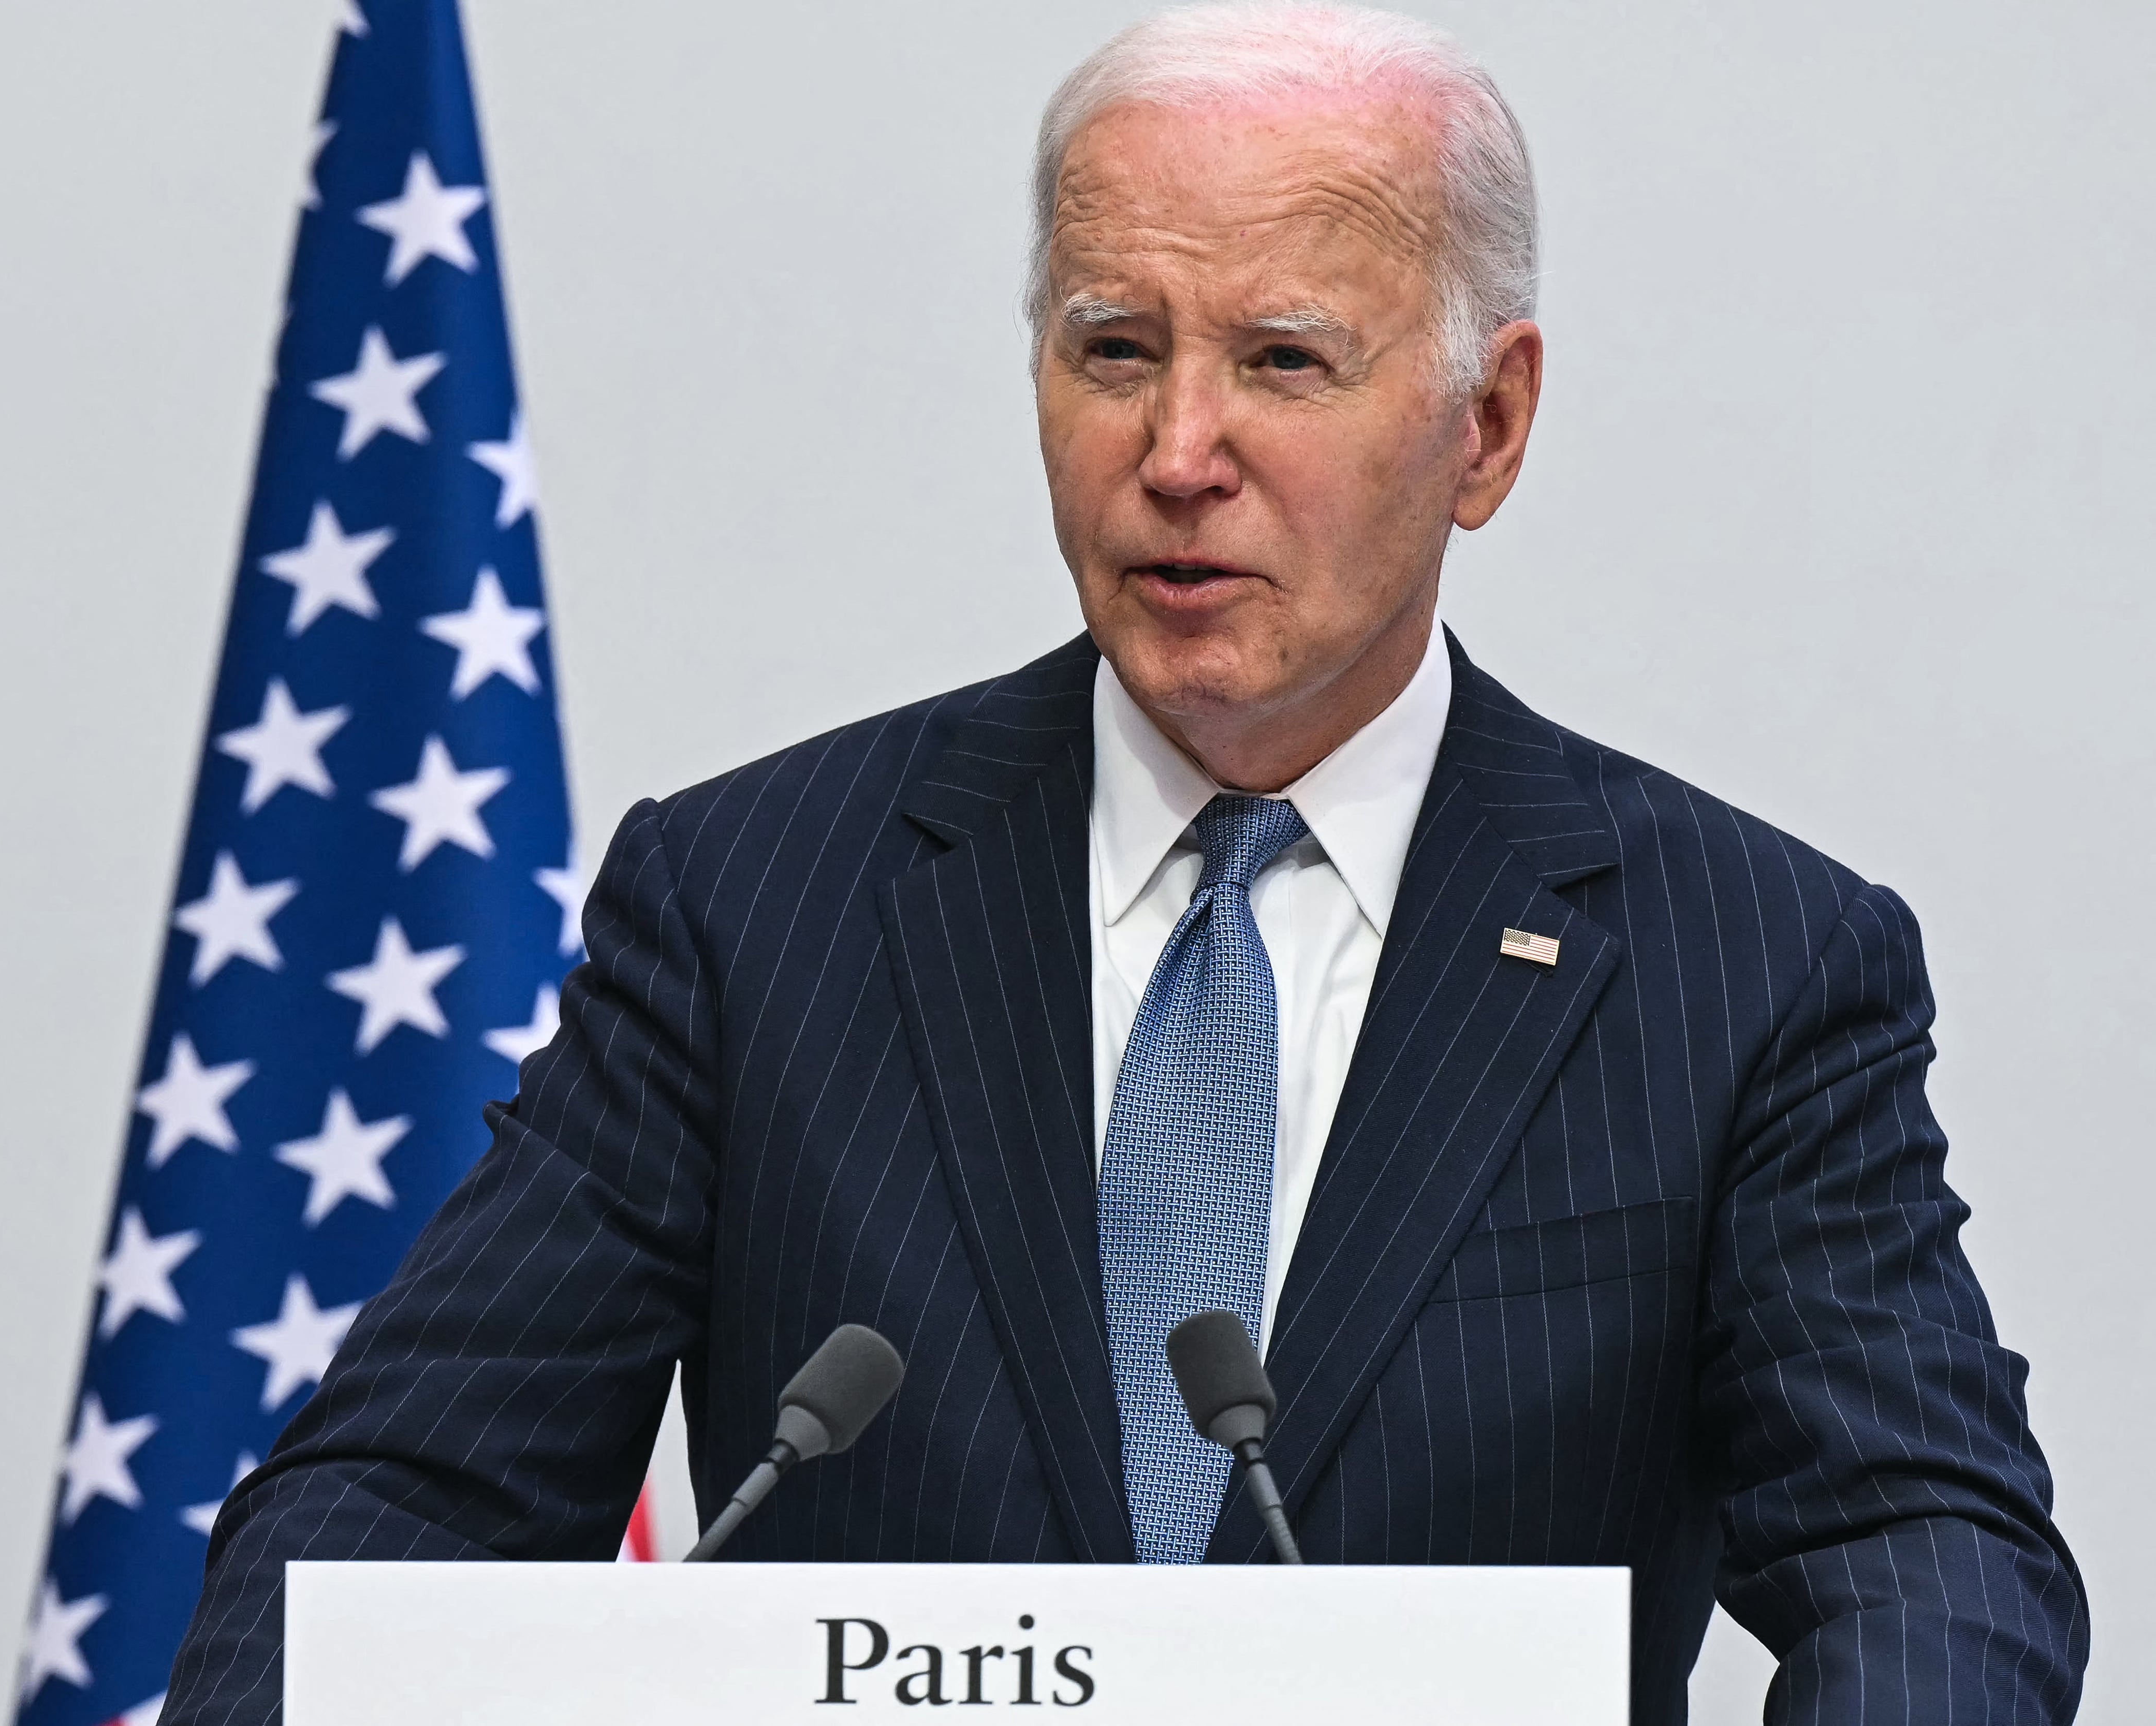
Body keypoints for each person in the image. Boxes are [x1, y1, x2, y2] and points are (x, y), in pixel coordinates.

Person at [163, 6, 2086, 1721]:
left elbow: (1931, 1560)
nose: (1178, 450)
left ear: (1485, 425)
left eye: (1281, 360)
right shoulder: (755, 902)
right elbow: (394, 1503)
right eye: (1113, 348)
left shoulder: (1740, 963)